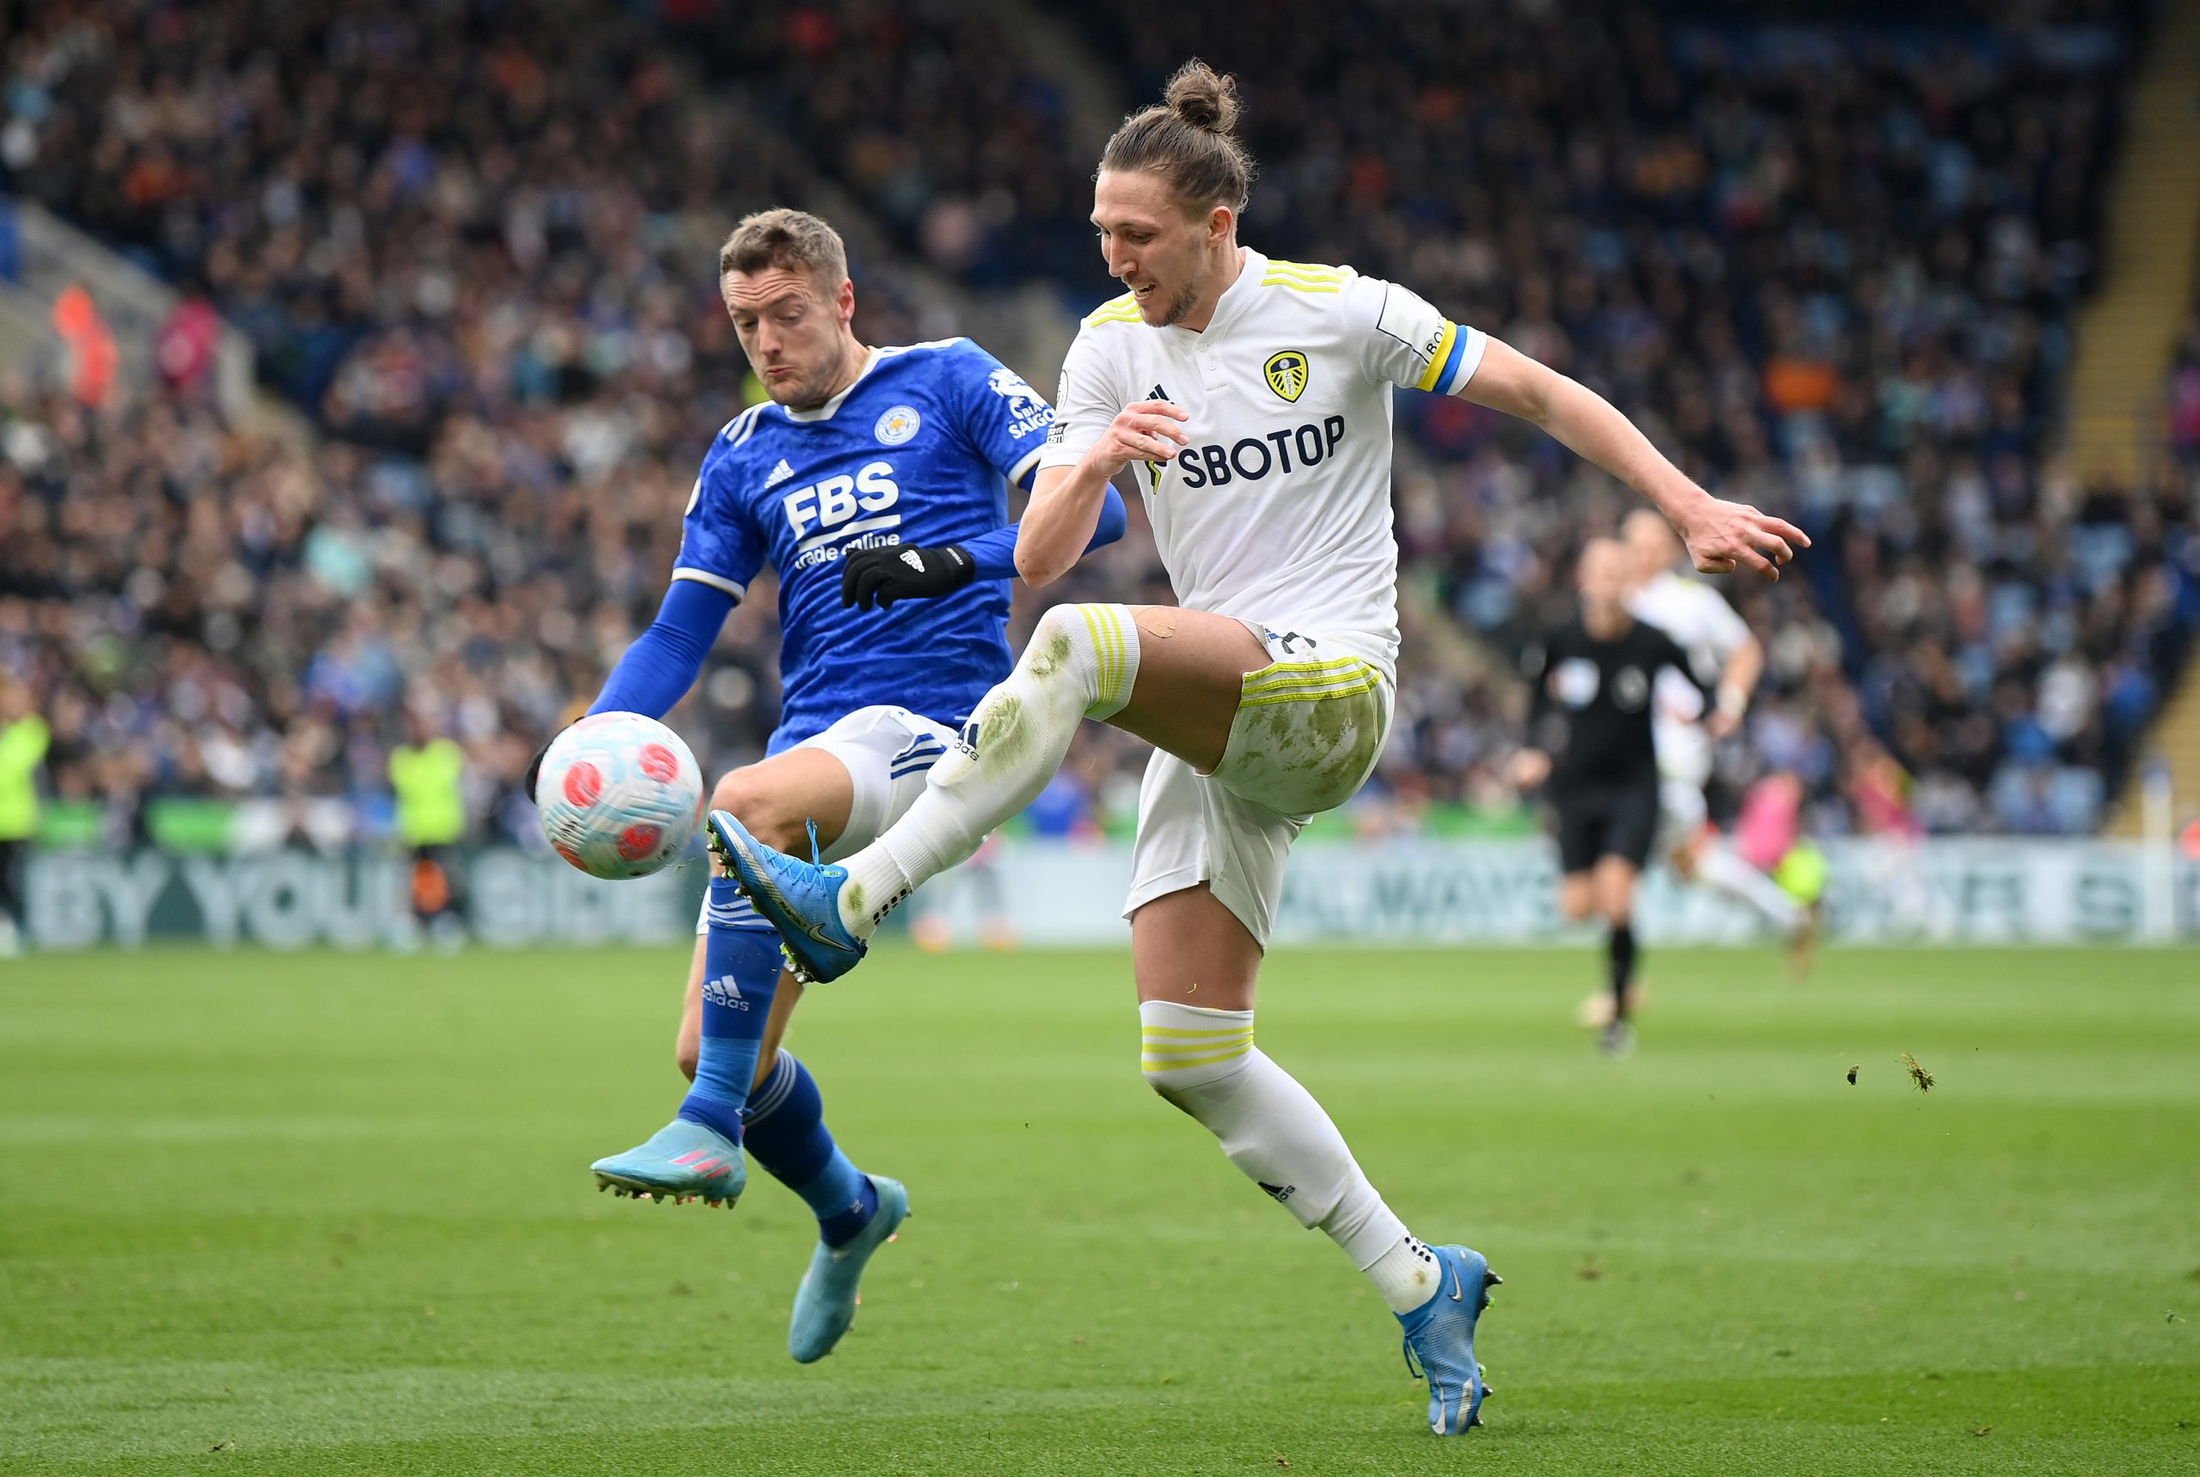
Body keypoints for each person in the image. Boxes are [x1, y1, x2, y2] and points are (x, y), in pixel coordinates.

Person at [706, 63, 1806, 1434]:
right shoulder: (1109, 346)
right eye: (1102, 232)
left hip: (1334, 684)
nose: (1112, 257)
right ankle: (1423, 1285)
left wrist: (1685, 501)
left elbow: (1536, 391)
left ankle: (850, 902)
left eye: (1138, 236)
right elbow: (1035, 560)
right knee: (1191, 1055)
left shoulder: (1340, 313)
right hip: (1234, 718)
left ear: (1217, 222)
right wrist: (1099, 456)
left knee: (1091, 653)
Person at [542, 208, 1126, 1363]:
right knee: (723, 1041)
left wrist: (939, 559)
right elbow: (679, 630)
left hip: (943, 728)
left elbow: (1091, 510)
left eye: (787, 314)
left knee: (743, 803)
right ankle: (852, 1210)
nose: (766, 340)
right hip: (831, 742)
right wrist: (594, 735)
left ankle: (705, 1128)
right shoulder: (743, 451)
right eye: (744, 321)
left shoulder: (949, 380)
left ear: (844, 300)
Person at [1510, 539, 1708, 1056]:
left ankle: (1618, 1019)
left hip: (1634, 787)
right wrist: (1533, 749)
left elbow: (1702, 686)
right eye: (1602, 572)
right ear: (1585, 579)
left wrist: (1704, 715)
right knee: (1579, 908)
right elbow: (1533, 698)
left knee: (1618, 898)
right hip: (1574, 788)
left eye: (1620, 573)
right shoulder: (1561, 638)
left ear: (1631, 582)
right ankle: (1624, 966)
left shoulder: (1653, 642)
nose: (1611, 583)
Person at [1617, 509, 1816, 985]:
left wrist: (1728, 704)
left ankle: (1622, 985)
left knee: (1621, 849)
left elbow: (1746, 650)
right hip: (1628, 747)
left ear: (1666, 550)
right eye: (1633, 543)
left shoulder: (1692, 602)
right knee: (1691, 864)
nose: (1641, 553)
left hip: (1674, 751)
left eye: (1649, 543)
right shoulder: (1617, 603)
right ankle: (1790, 917)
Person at [388, 706, 468, 950]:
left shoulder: (446, 753)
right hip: (414, 830)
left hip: (443, 828)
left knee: (445, 881)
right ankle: (415, 924)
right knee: (416, 882)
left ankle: (445, 922)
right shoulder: (401, 757)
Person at [0, 676, 49, 958]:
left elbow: (7, 771)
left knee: (13, 884)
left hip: (16, 823)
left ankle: (19, 933)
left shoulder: (32, 730)